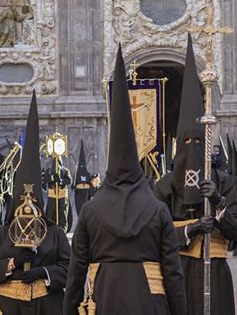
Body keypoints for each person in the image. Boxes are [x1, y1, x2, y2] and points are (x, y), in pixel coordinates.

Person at [64, 46, 187, 315]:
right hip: (150, 303)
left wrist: (69, 309)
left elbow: (76, 271)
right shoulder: (157, 210)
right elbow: (173, 272)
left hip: (104, 300)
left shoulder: (90, 210)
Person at [154, 35, 237, 315]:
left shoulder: (224, 182)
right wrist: (189, 230)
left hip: (214, 271)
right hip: (178, 270)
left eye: (198, 142)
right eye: (187, 145)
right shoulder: (164, 185)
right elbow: (154, 233)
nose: (192, 151)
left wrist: (218, 204)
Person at [0, 91, 70, 314]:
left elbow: (70, 268)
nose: (28, 208)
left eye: (33, 204)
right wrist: (11, 262)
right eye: (23, 204)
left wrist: (44, 273)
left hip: (48, 305)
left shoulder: (55, 232)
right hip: (10, 307)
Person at [43, 157, 73, 233]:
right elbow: (44, 179)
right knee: (51, 212)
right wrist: (51, 178)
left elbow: (69, 180)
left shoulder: (65, 170)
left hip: (62, 195)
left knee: (63, 213)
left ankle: (62, 229)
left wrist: (61, 181)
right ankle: (51, 228)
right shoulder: (49, 170)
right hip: (53, 194)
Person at [72, 140, 91, 216]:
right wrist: (73, 186)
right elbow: (73, 185)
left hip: (86, 193)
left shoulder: (88, 174)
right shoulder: (76, 174)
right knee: (79, 209)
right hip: (79, 194)